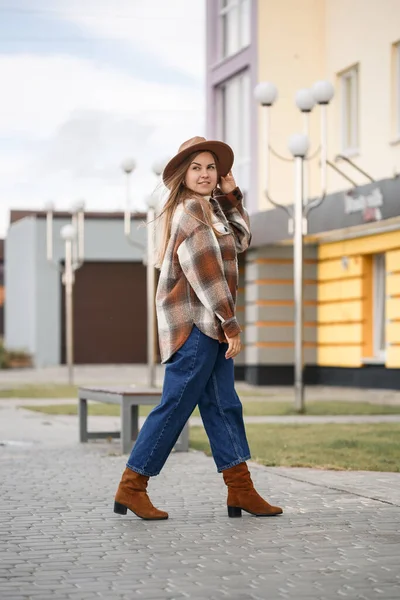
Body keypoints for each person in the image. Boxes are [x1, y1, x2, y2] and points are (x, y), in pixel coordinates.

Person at [114, 136, 283, 520]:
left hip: (211, 327)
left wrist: (231, 194)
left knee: (224, 406)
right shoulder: (191, 212)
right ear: (183, 175)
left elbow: (241, 240)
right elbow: (207, 276)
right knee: (174, 407)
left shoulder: (211, 210)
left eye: (211, 167)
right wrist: (232, 325)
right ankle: (131, 487)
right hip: (195, 327)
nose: (206, 174)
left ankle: (241, 490)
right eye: (197, 168)